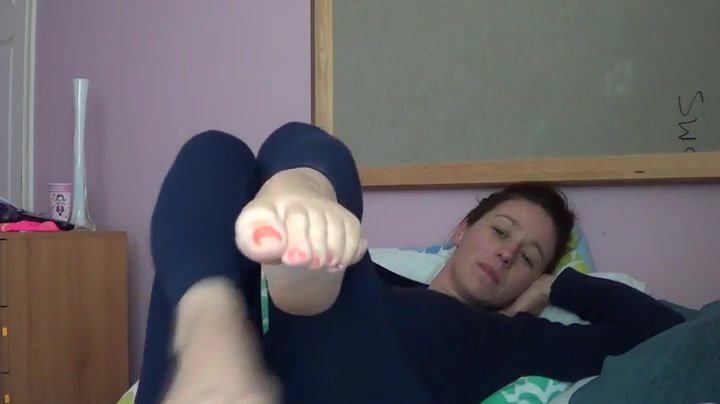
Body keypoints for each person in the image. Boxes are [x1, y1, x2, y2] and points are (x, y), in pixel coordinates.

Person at [135, 122, 685, 404]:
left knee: (336, 260)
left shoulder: (519, 338)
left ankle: (302, 245)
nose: (506, 253)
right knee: (217, 150)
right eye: (500, 231)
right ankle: (211, 323)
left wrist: (556, 286)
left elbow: (662, 328)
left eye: (527, 257)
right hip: (225, 385)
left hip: (367, 389)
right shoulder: (377, 275)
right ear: (463, 230)